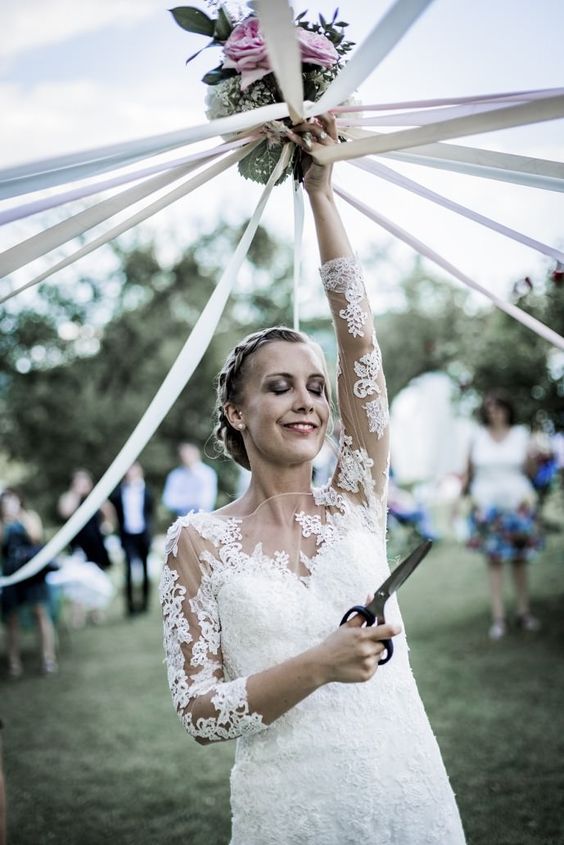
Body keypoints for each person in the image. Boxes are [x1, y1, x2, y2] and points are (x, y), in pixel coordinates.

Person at [159, 115, 465, 844]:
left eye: (318, 388)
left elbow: (360, 344)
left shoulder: (357, 497)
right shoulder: (196, 542)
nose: (308, 400)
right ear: (236, 410)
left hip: (409, 789)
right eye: (281, 386)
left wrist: (322, 192)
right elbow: (200, 711)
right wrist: (319, 664)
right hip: (290, 811)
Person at [464, 391, 542, 640]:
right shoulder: (477, 437)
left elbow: (531, 472)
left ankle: (523, 612)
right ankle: (498, 618)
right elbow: (469, 474)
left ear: (507, 409)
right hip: (488, 508)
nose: (493, 411)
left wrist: (533, 456)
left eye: (497, 407)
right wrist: (465, 504)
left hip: (518, 505)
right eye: (489, 407)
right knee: (494, 562)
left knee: (520, 560)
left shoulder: (520, 435)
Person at [0, 489, 57, 676]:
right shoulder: (2, 523)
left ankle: (48, 658)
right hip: (11, 573)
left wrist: (20, 518)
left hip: (32, 572)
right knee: (12, 619)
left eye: (13, 501)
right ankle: (13, 662)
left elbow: (35, 536)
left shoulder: (29, 516)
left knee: (40, 613)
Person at [110, 462, 154, 616]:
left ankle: (145, 604)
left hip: (143, 535)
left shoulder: (147, 492)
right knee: (128, 570)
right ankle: (130, 607)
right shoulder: (119, 493)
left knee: (145, 569)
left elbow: (150, 513)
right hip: (127, 535)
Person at [58, 469, 113, 571]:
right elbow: (65, 512)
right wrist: (76, 493)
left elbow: (109, 512)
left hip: (96, 542)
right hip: (78, 544)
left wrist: (106, 525)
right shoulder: (69, 497)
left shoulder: (96, 497)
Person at [161, 443, 217, 517]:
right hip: (181, 519)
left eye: (188, 455)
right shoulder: (175, 475)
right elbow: (168, 501)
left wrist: (180, 500)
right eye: (183, 456)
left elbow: (205, 502)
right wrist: (193, 500)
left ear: (197, 455)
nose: (185, 458)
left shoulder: (207, 473)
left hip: (203, 519)